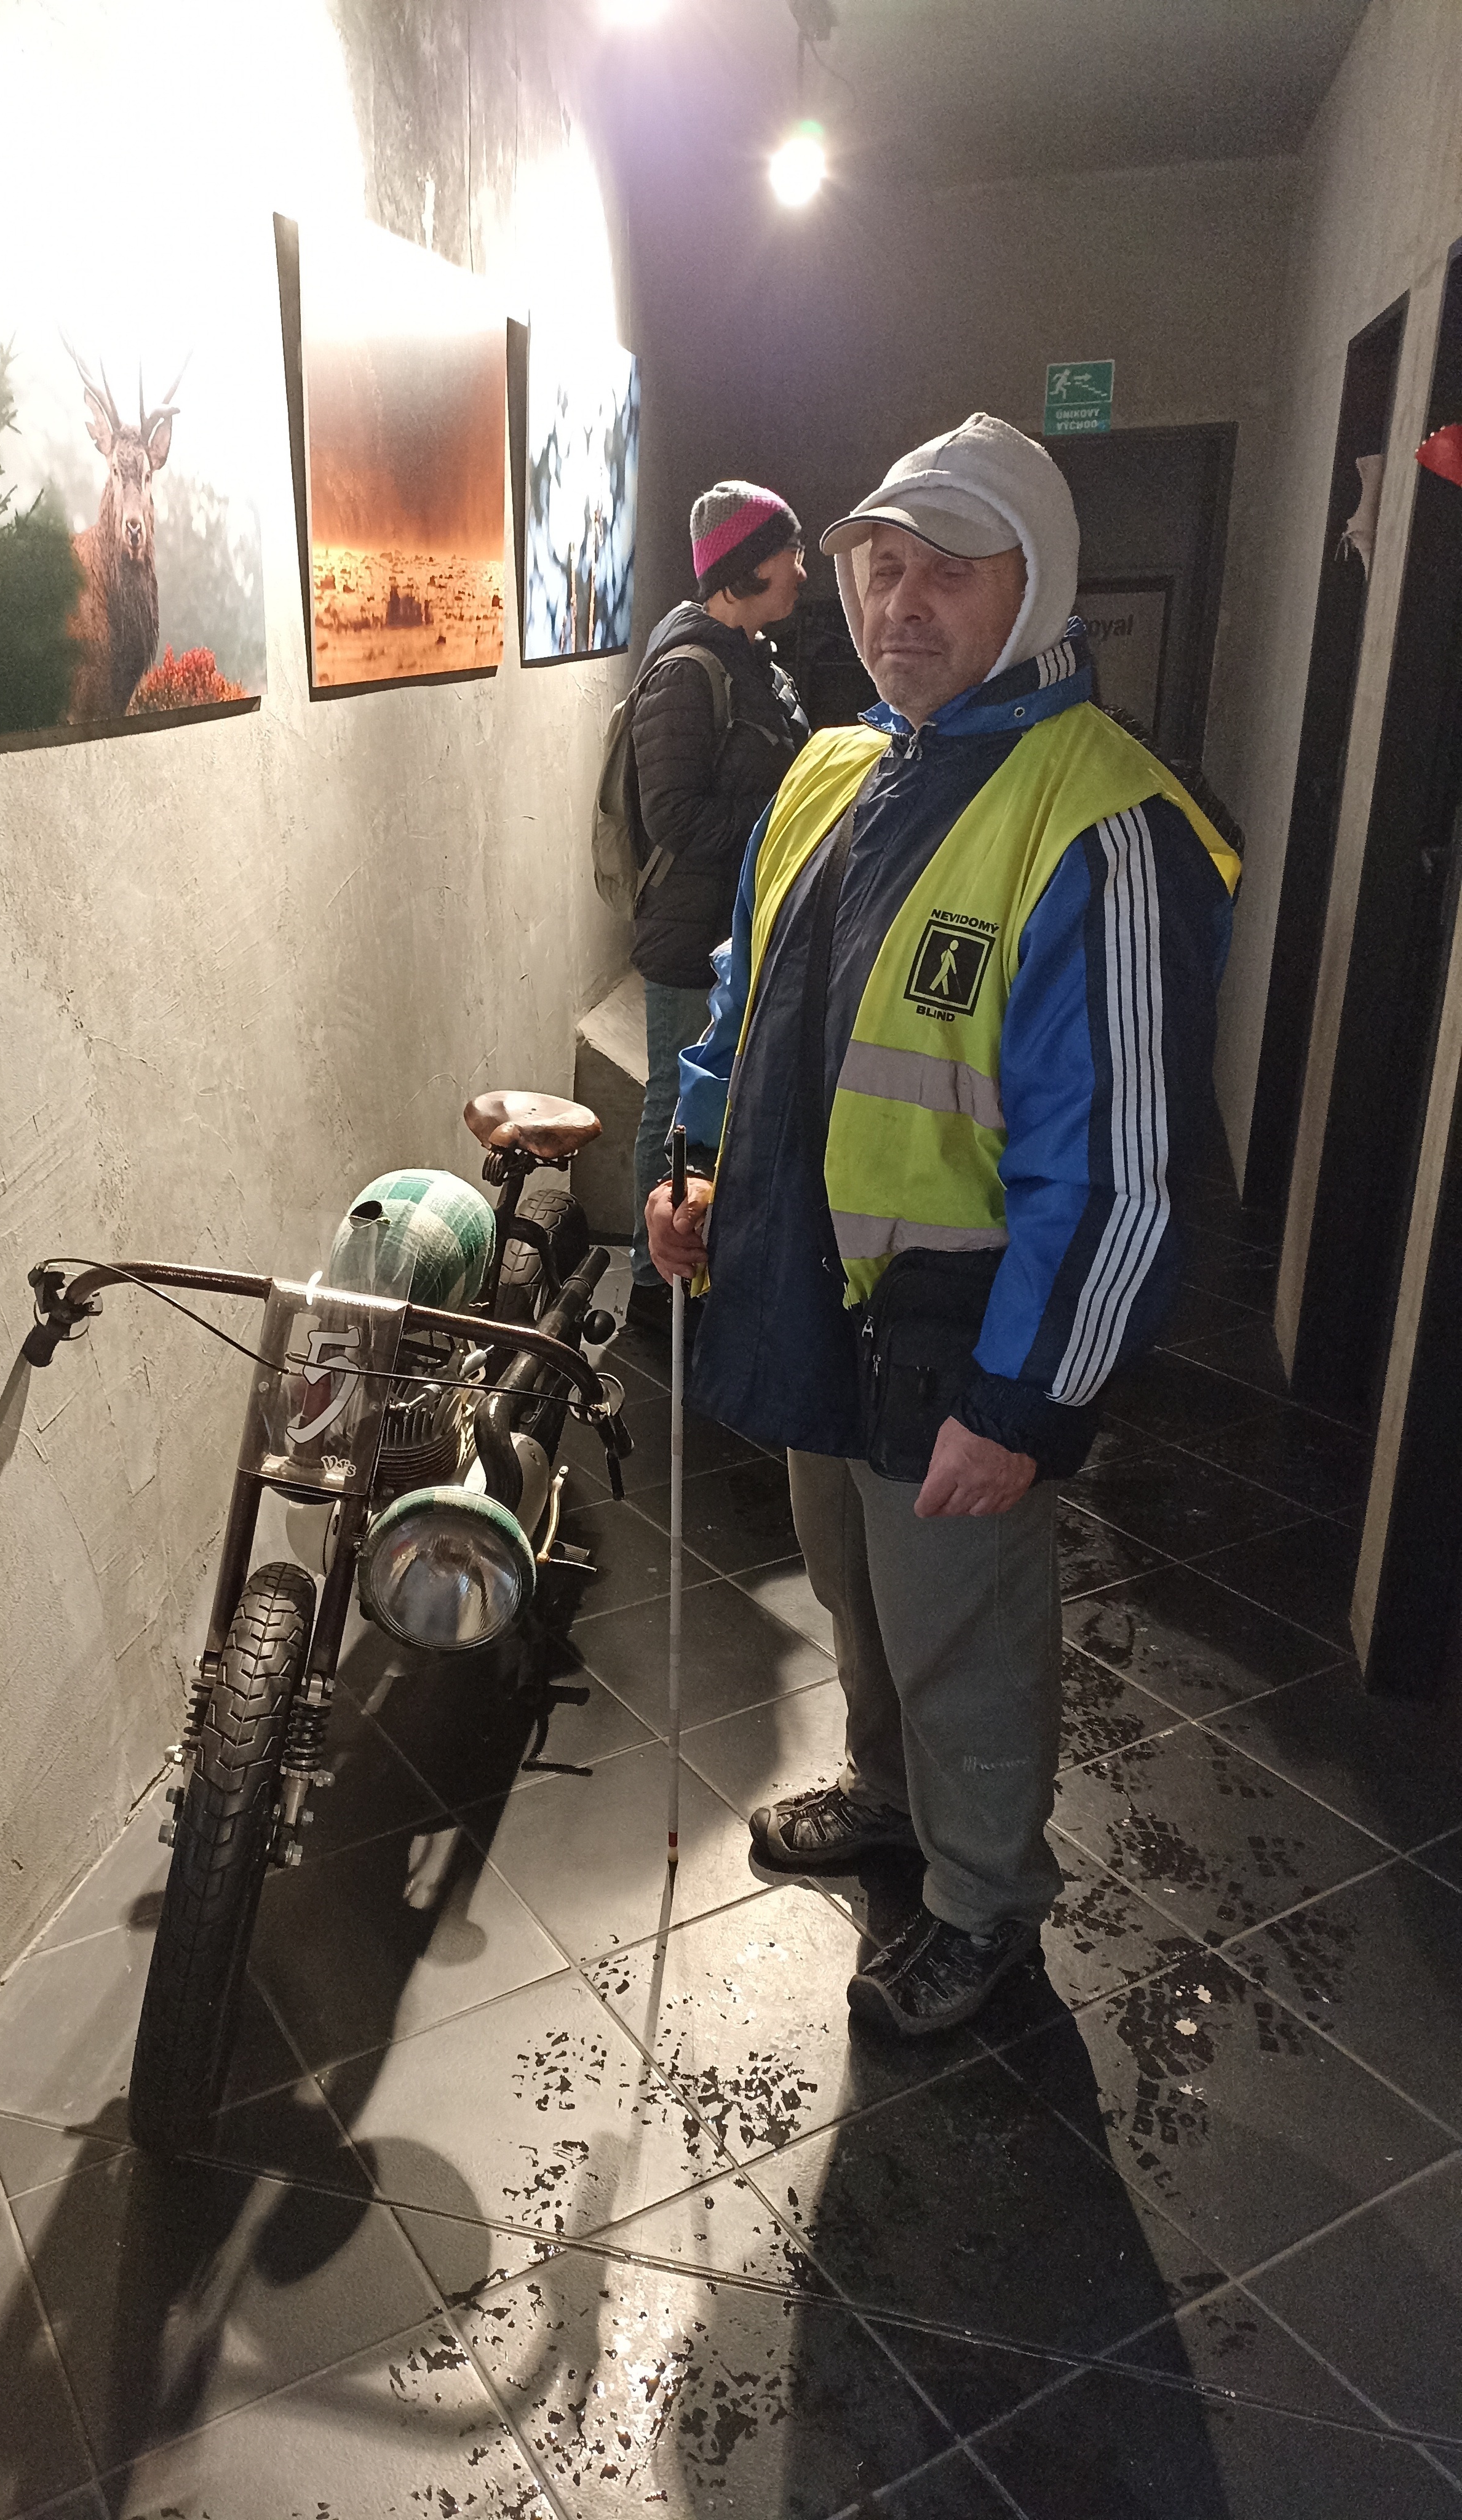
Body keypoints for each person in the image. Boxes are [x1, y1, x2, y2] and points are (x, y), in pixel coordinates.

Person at [646, 413, 1240, 2036]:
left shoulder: (1101, 823)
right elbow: (745, 1009)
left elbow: (1121, 1173)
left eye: (947, 573)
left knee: (962, 1632)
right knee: (854, 1592)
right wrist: (697, 1172)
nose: (897, 604)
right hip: (807, 1290)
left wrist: (1022, 1399)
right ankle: (889, 1797)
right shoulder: (833, 771)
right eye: (876, 568)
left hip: (957, 1329)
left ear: (1030, 586)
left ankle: (981, 1904)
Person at [624, 482, 811, 1334]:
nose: (802, 569)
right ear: (744, 567)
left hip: (738, 930)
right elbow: (673, 815)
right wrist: (782, 821)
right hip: (687, 934)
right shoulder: (687, 672)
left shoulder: (754, 662)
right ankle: (648, 1279)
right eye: (789, 552)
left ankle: (698, 1264)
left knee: (720, 1105)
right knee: (674, 1102)